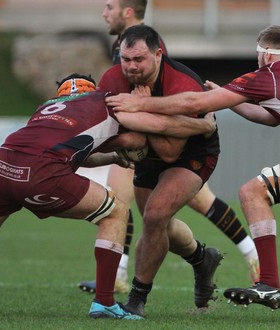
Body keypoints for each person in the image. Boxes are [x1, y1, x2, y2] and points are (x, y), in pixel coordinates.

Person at [106, 24, 280, 321]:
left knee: (253, 192)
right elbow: (269, 118)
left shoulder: (269, 75)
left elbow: (195, 102)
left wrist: (140, 103)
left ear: (265, 54)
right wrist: (230, 100)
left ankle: (269, 283)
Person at [0, 73, 217, 321]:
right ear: (92, 89)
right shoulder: (106, 99)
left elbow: (77, 152)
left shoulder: (48, 106)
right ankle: (105, 302)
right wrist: (195, 124)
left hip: (0, 167)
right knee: (116, 211)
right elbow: (137, 139)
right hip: (40, 173)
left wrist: (113, 157)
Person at [78, 0, 259, 296]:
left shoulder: (167, 64)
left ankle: (134, 292)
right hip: (151, 149)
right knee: (156, 219)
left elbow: (169, 147)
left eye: (109, 6)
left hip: (190, 152)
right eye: (127, 60)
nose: (103, 13)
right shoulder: (116, 66)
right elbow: (111, 124)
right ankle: (202, 258)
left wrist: (140, 111)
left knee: (155, 213)